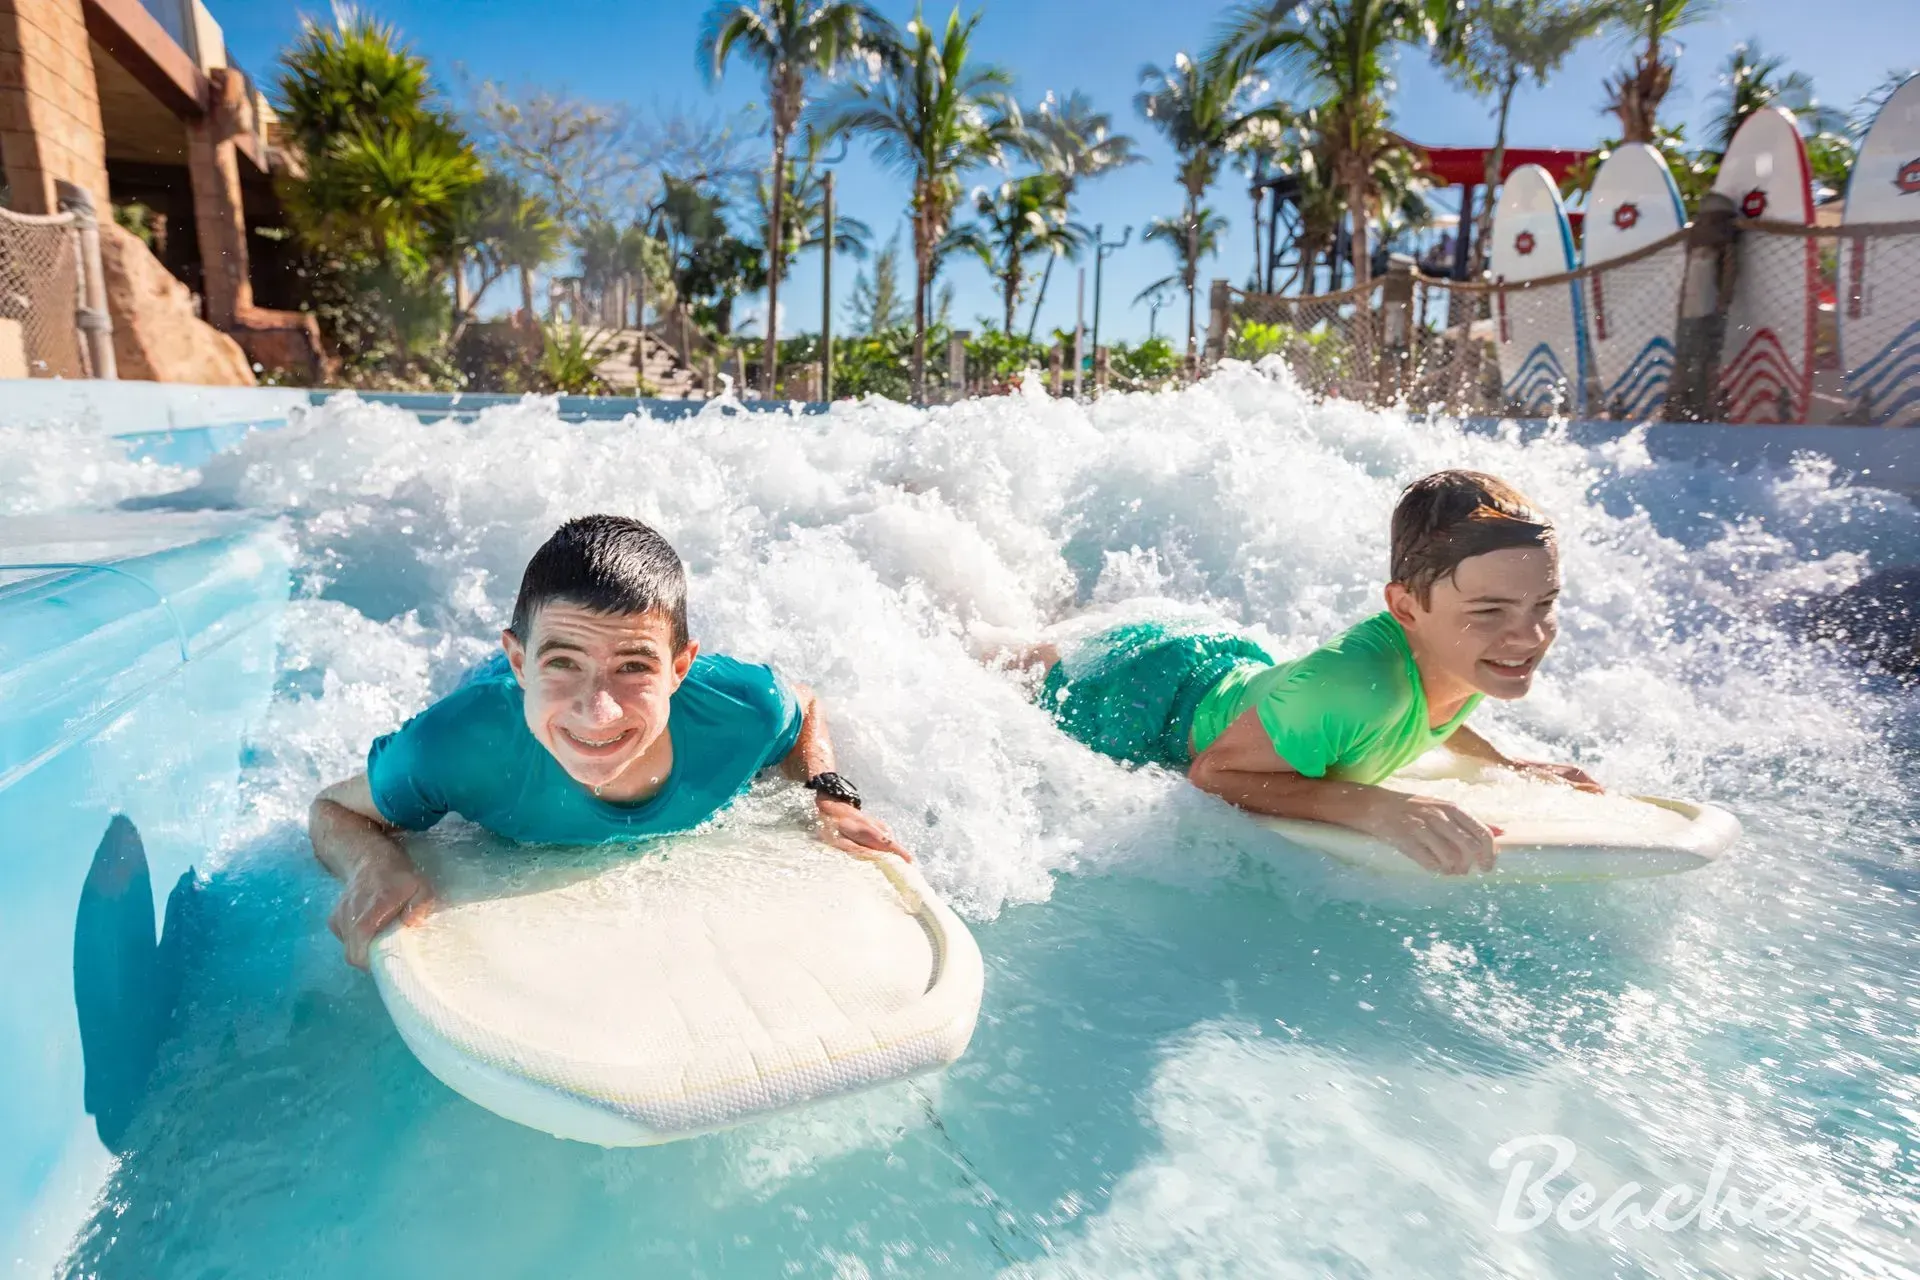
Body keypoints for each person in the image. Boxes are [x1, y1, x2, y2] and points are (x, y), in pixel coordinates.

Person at [310, 515, 908, 969]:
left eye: (633, 668)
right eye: (562, 663)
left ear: (680, 669)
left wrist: (828, 794)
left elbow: (804, 705)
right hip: (489, 700)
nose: (598, 713)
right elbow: (331, 808)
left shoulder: (739, 710)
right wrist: (372, 860)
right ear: (520, 662)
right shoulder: (456, 747)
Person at [994, 470, 1598, 875]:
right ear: (1407, 608)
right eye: (1492, 610)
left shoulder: (1469, 652)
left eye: (1544, 604)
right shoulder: (1359, 686)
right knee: (1012, 669)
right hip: (1148, 700)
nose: (1529, 635)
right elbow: (1213, 773)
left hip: (1233, 673)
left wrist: (1506, 764)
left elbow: (1432, 708)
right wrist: (1377, 809)